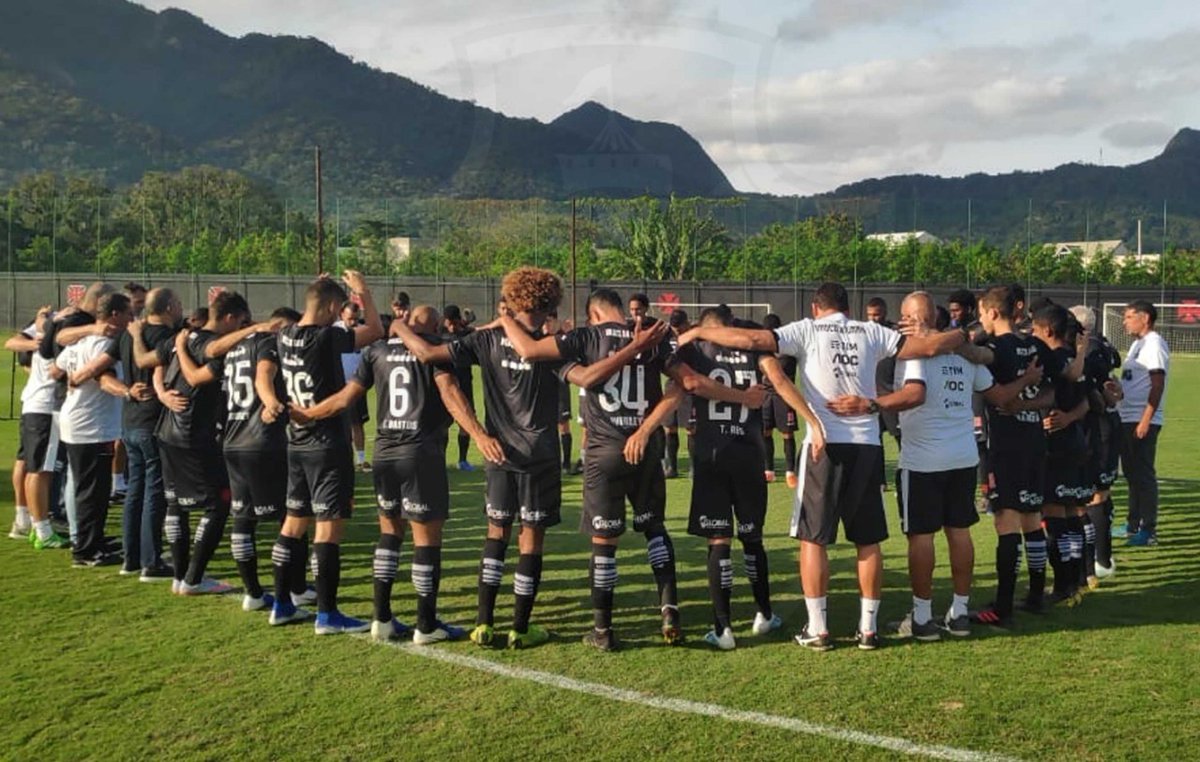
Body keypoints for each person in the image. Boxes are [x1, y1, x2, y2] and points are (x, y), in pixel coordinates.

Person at [679, 282, 966, 651]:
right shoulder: (870, 331)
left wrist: (701, 329)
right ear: (848, 306)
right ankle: (868, 629)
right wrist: (965, 332)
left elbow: (752, 342)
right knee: (868, 540)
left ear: (816, 307)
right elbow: (929, 346)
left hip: (822, 444)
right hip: (865, 442)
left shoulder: (808, 329)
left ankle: (819, 628)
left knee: (813, 539)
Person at [395, 268, 663, 650]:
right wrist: (632, 350)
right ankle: (520, 628)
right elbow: (587, 378)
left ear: (513, 299)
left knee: (496, 534)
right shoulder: (554, 345)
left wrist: (397, 327)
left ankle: (484, 624)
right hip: (541, 453)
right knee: (530, 541)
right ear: (551, 303)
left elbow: (425, 353)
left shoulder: (485, 339)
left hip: (498, 450)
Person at [498, 289, 764, 650]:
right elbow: (686, 384)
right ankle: (669, 611)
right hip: (646, 448)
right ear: (622, 310)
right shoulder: (652, 335)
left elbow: (528, 351)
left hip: (604, 450)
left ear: (592, 314)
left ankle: (603, 630)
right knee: (654, 529)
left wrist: (506, 319)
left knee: (604, 542)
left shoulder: (585, 337)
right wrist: (646, 428)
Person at [292, 305, 499, 644]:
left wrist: (307, 413)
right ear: (432, 327)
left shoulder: (376, 351)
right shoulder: (435, 352)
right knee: (426, 541)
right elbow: (451, 394)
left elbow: (346, 398)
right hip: (420, 453)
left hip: (384, 454)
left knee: (389, 535)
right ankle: (426, 624)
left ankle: (381, 618)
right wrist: (478, 434)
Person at [873, 293, 1035, 640]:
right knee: (959, 533)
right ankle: (959, 613)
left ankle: (921, 617)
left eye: (903, 316)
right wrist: (1028, 379)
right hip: (964, 456)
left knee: (921, 536)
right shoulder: (965, 356)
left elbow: (913, 395)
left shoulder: (915, 352)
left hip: (922, 460)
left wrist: (872, 405)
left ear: (912, 318)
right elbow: (1000, 396)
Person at [675, 307, 824, 651]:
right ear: (730, 327)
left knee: (718, 540)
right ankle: (764, 614)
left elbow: (684, 381)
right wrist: (813, 422)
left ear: (705, 327)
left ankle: (723, 628)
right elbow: (781, 381)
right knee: (752, 538)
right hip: (750, 454)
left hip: (712, 454)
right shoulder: (752, 349)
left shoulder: (694, 351)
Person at [272, 272, 383, 633]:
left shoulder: (285, 335)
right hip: (326, 443)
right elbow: (376, 330)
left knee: (292, 525)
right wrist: (363, 292)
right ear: (335, 308)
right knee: (327, 530)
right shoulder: (328, 337)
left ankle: (282, 604)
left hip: (296, 441)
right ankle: (327, 614)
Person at [178, 306, 300, 612]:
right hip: (263, 439)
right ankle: (295, 590)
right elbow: (263, 377)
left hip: (232, 440)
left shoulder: (232, 351)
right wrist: (271, 401)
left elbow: (199, 374)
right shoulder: (269, 344)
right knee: (293, 516)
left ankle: (254, 592)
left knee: (243, 519)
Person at [970, 286, 1081, 626]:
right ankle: (1035, 595)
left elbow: (1001, 398)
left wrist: (1019, 391)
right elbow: (1060, 385)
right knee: (1031, 520)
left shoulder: (992, 348)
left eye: (981, 313)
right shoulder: (1036, 345)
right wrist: (1031, 399)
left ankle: (1002, 606)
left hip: (1007, 444)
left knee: (1006, 521)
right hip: (1035, 440)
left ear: (991, 312)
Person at [156, 291, 268, 596]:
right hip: (192, 433)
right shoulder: (211, 346)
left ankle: (181, 577)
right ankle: (193, 578)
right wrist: (253, 330)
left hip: (167, 431)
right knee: (219, 503)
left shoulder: (188, 337)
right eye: (242, 321)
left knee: (176, 503)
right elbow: (196, 375)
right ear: (230, 318)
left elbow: (154, 361)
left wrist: (162, 390)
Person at [54, 292, 151, 566]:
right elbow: (103, 379)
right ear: (114, 316)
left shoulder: (81, 342)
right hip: (90, 425)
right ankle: (85, 551)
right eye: (128, 314)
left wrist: (75, 377)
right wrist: (127, 392)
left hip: (83, 422)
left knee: (95, 489)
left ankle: (92, 540)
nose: (132, 319)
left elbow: (56, 370)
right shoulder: (102, 345)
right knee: (91, 491)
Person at [118, 288, 182, 580]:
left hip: (129, 420)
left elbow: (104, 369)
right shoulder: (166, 339)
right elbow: (150, 364)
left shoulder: (129, 334)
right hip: (153, 420)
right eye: (178, 304)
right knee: (155, 492)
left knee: (135, 490)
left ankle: (131, 558)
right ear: (169, 307)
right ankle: (151, 561)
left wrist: (126, 391)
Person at [1031, 304, 1092, 605]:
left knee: (1054, 516)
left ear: (1047, 331)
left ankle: (1063, 585)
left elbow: (1055, 394)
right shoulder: (1071, 357)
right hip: (1074, 442)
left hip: (1055, 444)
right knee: (1069, 515)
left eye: (1034, 329)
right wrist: (1070, 418)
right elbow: (1086, 402)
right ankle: (1075, 579)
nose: (1031, 334)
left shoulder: (1053, 358)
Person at [6, 306, 69, 548]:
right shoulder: (55, 337)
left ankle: (25, 521)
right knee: (40, 469)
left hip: (32, 404)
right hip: (44, 407)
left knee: (28, 462)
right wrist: (40, 344)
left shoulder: (48, 334)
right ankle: (41, 528)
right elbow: (12, 343)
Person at [1070, 304, 1122, 580]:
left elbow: (1101, 396)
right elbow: (1113, 383)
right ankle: (1103, 558)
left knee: (1094, 496)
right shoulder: (1103, 346)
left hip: (1098, 427)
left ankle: (1099, 561)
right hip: (1107, 425)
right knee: (1101, 492)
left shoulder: (1088, 352)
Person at [1116, 300, 1168, 546]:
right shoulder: (1138, 344)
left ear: (1144, 318)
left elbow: (1157, 383)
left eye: (1128, 317)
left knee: (1143, 475)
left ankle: (1149, 530)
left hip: (1140, 418)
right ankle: (1132, 524)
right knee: (1132, 474)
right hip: (1128, 416)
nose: (1124, 321)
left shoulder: (1154, 344)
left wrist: (1146, 419)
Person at [760, 314, 800, 487]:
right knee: (765, 432)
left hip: (784, 397)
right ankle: (768, 470)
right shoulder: (761, 350)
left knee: (787, 433)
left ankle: (790, 472)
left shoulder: (788, 350)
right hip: (766, 396)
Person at [334, 300, 371, 473]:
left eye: (356, 319)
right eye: (350, 319)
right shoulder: (334, 332)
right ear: (341, 315)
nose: (353, 322)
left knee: (358, 423)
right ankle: (342, 458)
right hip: (337, 386)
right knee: (339, 424)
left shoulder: (361, 333)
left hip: (356, 385)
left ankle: (361, 460)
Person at [441, 304, 477, 471]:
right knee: (443, 424)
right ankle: (441, 459)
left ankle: (462, 460)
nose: (451, 326)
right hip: (445, 386)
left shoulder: (466, 335)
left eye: (454, 323)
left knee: (466, 422)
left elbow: (476, 332)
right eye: (449, 323)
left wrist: (465, 326)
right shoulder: (439, 335)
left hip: (464, 384)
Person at [661, 309, 694, 479]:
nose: (677, 331)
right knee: (670, 427)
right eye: (674, 328)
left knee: (691, 428)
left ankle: (693, 467)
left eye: (679, 327)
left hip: (690, 387)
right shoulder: (666, 336)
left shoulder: (695, 336)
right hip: (672, 385)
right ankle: (671, 467)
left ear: (686, 323)